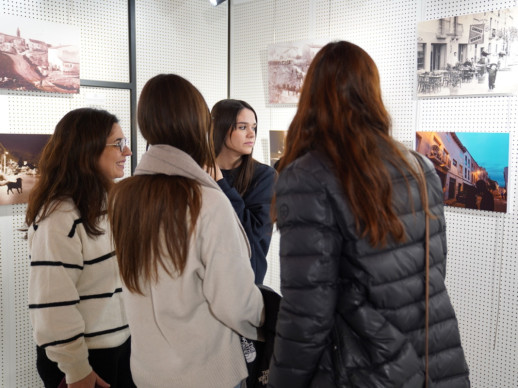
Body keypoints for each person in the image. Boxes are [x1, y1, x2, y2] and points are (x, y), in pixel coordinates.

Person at [268, 41, 470, 387]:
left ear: (311, 94)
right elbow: (433, 270)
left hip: (366, 368)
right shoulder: (420, 166)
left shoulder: (309, 175)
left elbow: (307, 315)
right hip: (433, 356)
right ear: (372, 93)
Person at [107, 74, 264, 388]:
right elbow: (235, 303)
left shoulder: (121, 196)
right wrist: (267, 320)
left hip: (147, 369)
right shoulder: (206, 200)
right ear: (198, 123)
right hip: (207, 373)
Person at [26, 108, 134, 388]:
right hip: (86, 361)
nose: (128, 152)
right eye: (119, 144)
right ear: (87, 149)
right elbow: (53, 307)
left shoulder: (107, 205)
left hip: (120, 349)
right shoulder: (60, 217)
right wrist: (76, 369)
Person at [211, 99, 276, 284]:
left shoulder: (265, 176)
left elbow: (251, 233)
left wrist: (221, 183)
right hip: (207, 281)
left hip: (245, 284)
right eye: (242, 127)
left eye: (253, 127)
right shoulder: (200, 172)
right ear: (220, 128)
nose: (251, 134)